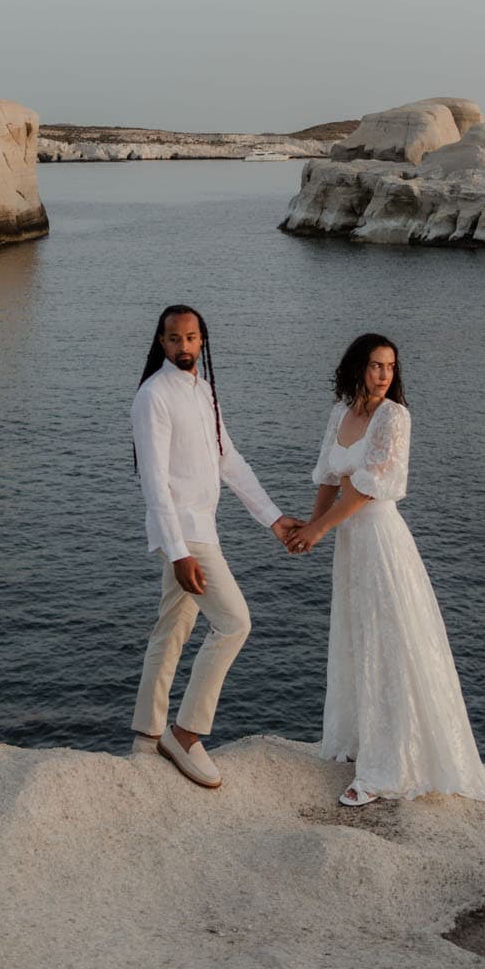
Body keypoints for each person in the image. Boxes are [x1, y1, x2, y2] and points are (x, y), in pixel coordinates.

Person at [288, 331, 485, 809]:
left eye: (390, 367)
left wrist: (318, 531)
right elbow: (328, 475)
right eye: (376, 365)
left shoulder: (394, 418)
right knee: (357, 638)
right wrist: (308, 525)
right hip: (349, 543)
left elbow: (367, 488)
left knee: (388, 643)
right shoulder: (340, 414)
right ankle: (360, 743)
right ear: (356, 367)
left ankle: (384, 770)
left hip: (380, 541)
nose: (384, 375)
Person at [131, 303, 302, 789]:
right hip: (186, 535)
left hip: (200, 528)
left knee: (172, 630)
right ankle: (184, 735)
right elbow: (155, 483)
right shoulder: (153, 397)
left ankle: (146, 737)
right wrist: (179, 551)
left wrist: (273, 520)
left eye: (190, 338)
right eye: (173, 338)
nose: (182, 346)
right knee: (233, 624)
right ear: (160, 343)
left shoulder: (204, 391)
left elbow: (230, 462)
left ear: (201, 340)